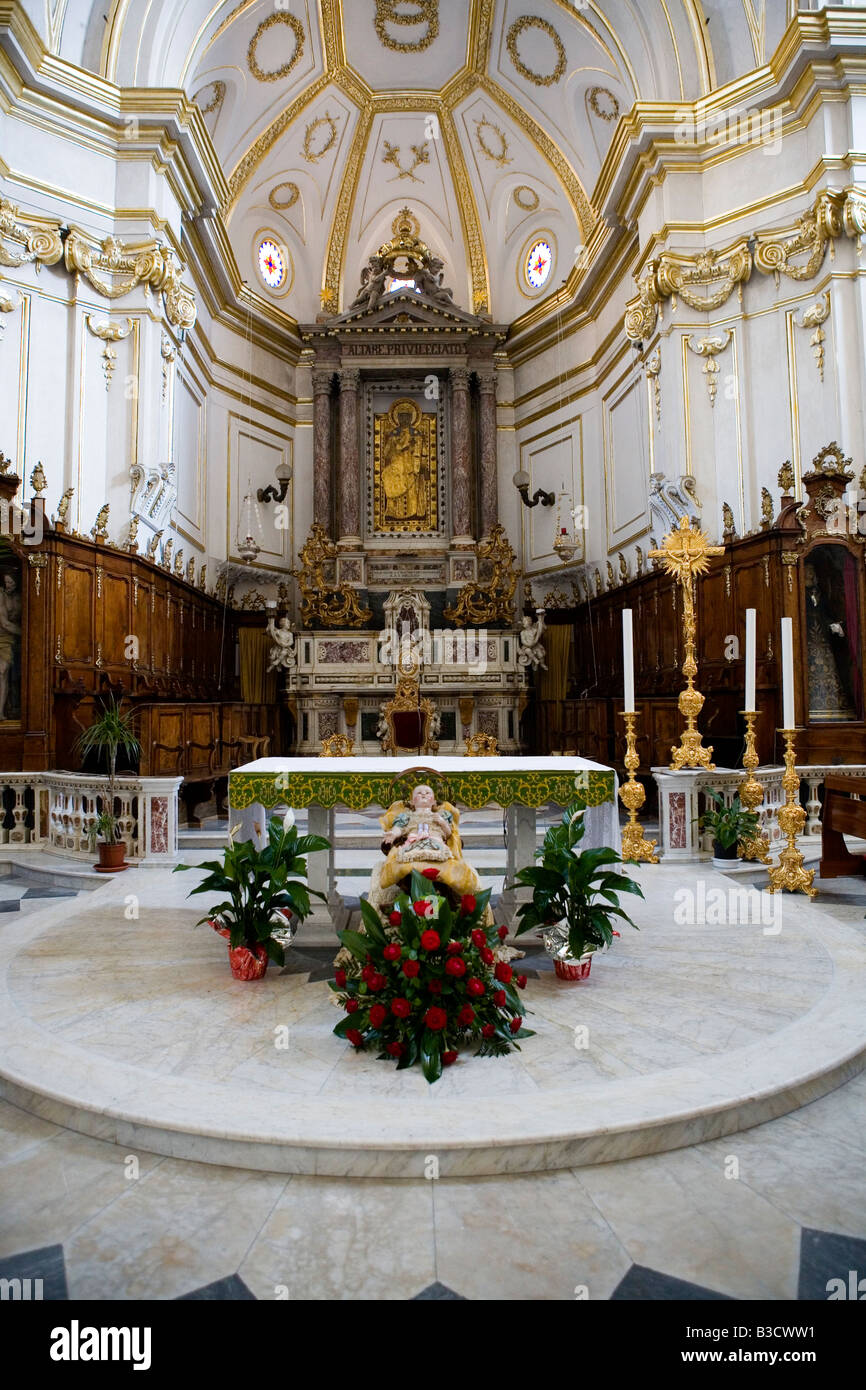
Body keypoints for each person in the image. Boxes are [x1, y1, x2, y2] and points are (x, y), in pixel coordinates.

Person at [0, 570, 21, 721]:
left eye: (11, 582)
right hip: (3, 637)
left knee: (16, 675)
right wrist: (27, 634)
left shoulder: (20, 597)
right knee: (3, 670)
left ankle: (11, 709)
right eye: (6, 582)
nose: (8, 585)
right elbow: (5, 623)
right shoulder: (0, 596)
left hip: (17, 638)